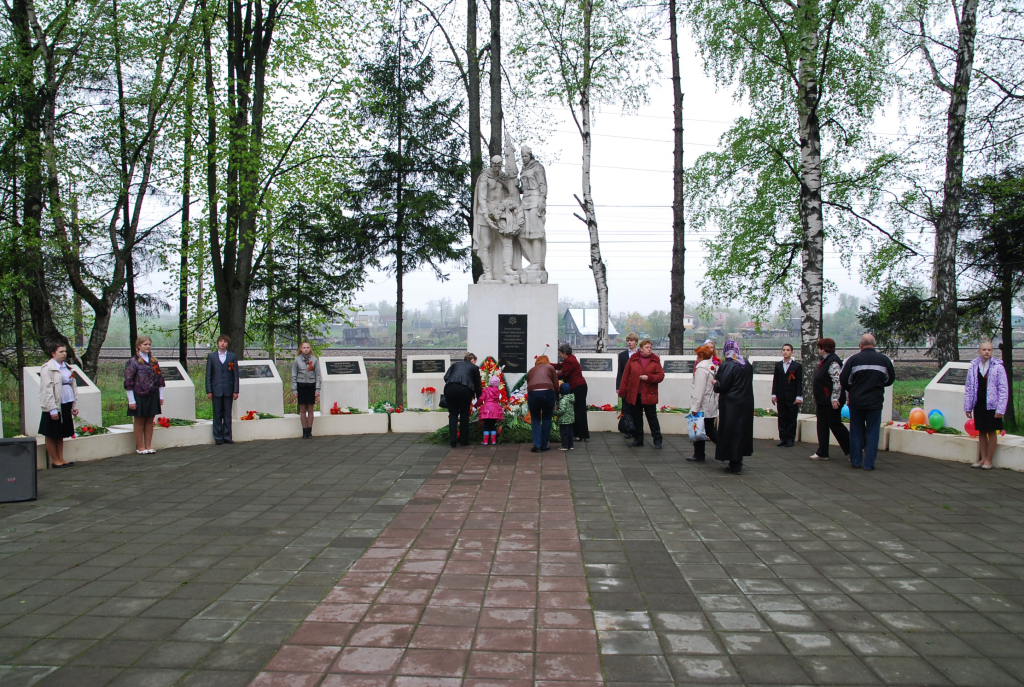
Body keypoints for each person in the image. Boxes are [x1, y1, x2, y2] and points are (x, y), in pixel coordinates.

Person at [839, 334, 895, 471]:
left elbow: (843, 379)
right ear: (874, 344)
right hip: (875, 402)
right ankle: (869, 464)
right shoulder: (884, 360)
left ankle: (856, 461)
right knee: (872, 433)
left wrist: (853, 390)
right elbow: (890, 379)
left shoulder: (853, 360)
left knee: (856, 431)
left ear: (861, 345)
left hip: (857, 402)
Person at [964, 340, 1008, 470]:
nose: (986, 352)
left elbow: (1003, 389)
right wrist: (968, 406)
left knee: (991, 431)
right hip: (979, 403)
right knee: (982, 431)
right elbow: (969, 387)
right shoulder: (973, 367)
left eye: (989, 350)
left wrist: (1000, 409)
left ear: (992, 351)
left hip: (992, 405)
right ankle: (983, 458)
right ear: (979, 351)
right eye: (984, 349)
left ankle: (989, 459)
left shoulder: (998, 367)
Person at [714, 340, 754, 473]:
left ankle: (734, 461)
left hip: (731, 404)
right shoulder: (746, 364)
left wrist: (715, 382)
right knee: (742, 432)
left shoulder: (728, 365)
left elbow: (722, 386)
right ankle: (738, 460)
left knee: (731, 432)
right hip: (746, 403)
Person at [618, 339, 665, 449]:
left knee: (652, 417)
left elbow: (661, 376)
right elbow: (625, 376)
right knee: (637, 418)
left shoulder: (655, 360)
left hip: (649, 394)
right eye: (647, 347)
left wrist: (649, 378)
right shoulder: (633, 359)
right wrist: (623, 391)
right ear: (641, 348)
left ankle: (657, 440)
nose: (649, 349)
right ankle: (638, 439)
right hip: (635, 394)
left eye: (651, 348)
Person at [38, 342, 78, 468]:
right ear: (53, 353)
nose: (64, 354)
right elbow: (47, 389)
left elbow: (72, 384)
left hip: (66, 402)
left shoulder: (66, 367)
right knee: (51, 432)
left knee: (61, 432)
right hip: (54, 405)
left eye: (65, 351)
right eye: (61, 351)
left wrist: (74, 405)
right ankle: (55, 460)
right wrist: (52, 409)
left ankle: (61, 458)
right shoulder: (48, 368)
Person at [125, 335, 166, 455]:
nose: (147, 347)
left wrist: (161, 396)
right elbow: (128, 382)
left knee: (149, 420)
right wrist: (131, 400)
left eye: (149, 344)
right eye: (145, 344)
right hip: (139, 395)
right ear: (138, 346)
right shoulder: (133, 362)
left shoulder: (154, 361)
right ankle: (140, 447)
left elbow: (160, 380)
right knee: (139, 420)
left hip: (152, 394)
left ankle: (148, 445)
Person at [811, 337, 849, 461]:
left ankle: (852, 450)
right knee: (822, 425)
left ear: (823, 349)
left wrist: (834, 398)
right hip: (823, 400)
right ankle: (822, 451)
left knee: (835, 425)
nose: (818, 351)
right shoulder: (825, 360)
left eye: (819, 348)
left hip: (830, 400)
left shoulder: (833, 362)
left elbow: (837, 381)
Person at [687, 344, 719, 462]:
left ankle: (700, 454)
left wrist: (694, 407)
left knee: (701, 429)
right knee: (706, 429)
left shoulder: (701, 369)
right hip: (710, 403)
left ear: (701, 356)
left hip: (702, 405)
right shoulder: (713, 367)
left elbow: (699, 390)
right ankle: (699, 454)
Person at [206, 335, 240, 445]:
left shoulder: (232, 356)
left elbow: (235, 375)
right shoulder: (211, 357)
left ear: (227, 344)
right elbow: (208, 375)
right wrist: (209, 390)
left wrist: (236, 390)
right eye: (220, 341)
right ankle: (218, 437)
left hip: (228, 389)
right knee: (217, 414)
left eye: (224, 341)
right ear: (217, 343)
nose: (222, 343)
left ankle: (227, 436)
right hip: (216, 389)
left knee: (227, 414)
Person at [444, 353, 482, 448]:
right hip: (465, 390)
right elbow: (477, 385)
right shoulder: (474, 368)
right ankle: (464, 440)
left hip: (450, 388)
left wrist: (453, 384)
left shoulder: (455, 364)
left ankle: (453, 440)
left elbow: (446, 377)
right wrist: (479, 398)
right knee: (464, 414)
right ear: (472, 360)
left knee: (453, 414)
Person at [771, 343, 803, 447]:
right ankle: (783, 438)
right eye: (784, 350)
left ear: (792, 352)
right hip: (781, 395)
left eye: (788, 350)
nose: (785, 352)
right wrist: (774, 394)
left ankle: (790, 439)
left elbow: (799, 382)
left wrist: (799, 396)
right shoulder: (778, 365)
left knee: (791, 418)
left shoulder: (797, 366)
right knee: (782, 417)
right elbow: (776, 380)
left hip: (792, 396)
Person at [555, 343, 589, 441]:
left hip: (578, 387)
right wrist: (547, 365)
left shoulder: (570, 361)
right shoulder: (569, 359)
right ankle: (579, 433)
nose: (560, 355)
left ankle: (581, 434)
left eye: (560, 353)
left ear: (565, 353)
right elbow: (559, 366)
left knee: (579, 411)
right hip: (578, 386)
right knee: (578, 410)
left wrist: (551, 375)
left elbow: (563, 374)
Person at [526, 355, 559, 452]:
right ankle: (544, 445)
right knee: (546, 418)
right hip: (548, 392)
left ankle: (537, 444)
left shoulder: (531, 370)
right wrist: (556, 396)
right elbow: (556, 384)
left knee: (535, 418)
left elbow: (529, 383)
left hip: (533, 393)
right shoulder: (550, 368)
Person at [291, 342, 321, 439]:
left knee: (311, 410)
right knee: (303, 410)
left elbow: (318, 375)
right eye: (304, 347)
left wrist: (317, 389)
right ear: (300, 349)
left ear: (310, 349)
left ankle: (310, 430)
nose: (306, 349)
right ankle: (304, 431)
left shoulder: (314, 360)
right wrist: (294, 390)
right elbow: (293, 375)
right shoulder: (297, 360)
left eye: (308, 347)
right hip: (301, 386)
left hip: (311, 386)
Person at [616, 333, 640, 437]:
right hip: (626, 386)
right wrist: (618, 387)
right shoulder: (622, 355)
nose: (629, 342)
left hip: (637, 386)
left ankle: (636, 430)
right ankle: (627, 429)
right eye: (628, 340)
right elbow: (620, 372)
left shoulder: (640, 354)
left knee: (636, 408)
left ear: (636, 342)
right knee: (626, 408)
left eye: (632, 340)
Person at [479, 376, 504, 445]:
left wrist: (476, 404)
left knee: (486, 425)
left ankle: (485, 441)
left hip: (486, 409)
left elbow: (482, 398)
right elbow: (498, 399)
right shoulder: (497, 391)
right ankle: (493, 441)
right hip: (495, 409)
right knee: (493, 425)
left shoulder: (486, 390)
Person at [555, 383, 576, 451]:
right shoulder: (571, 398)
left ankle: (565, 445)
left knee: (564, 433)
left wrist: (554, 413)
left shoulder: (563, 400)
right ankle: (571, 445)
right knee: (570, 433)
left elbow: (561, 411)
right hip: (571, 419)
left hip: (564, 420)